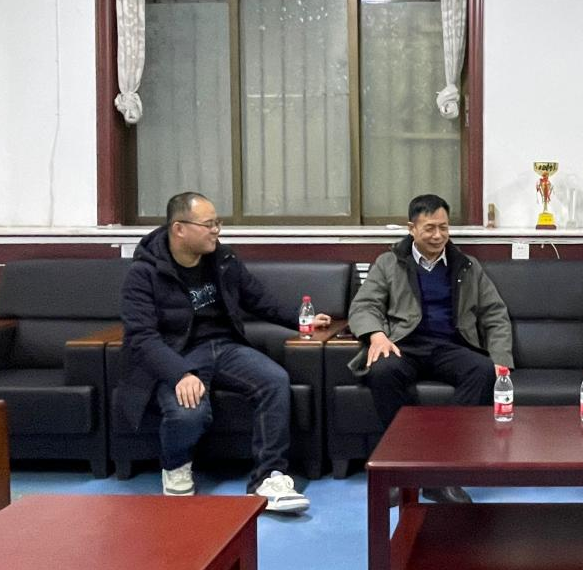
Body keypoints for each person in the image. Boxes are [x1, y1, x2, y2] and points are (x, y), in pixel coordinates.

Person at [120, 192, 330, 513]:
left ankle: (268, 478)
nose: (216, 230)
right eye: (208, 224)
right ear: (179, 229)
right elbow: (141, 337)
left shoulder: (222, 258)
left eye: (217, 223)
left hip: (224, 347)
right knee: (189, 412)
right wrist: (180, 373)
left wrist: (300, 320)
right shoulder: (144, 273)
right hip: (177, 354)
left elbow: (258, 299)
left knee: (274, 381)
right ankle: (175, 467)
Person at [348, 193, 512, 504]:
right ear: (412, 229)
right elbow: (364, 305)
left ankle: (441, 475)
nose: (438, 235)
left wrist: (501, 360)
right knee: (382, 371)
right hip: (404, 344)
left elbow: (495, 313)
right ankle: (401, 472)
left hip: (451, 345)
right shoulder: (389, 262)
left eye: (444, 228)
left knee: (482, 371)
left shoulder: (466, 265)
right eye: (430, 228)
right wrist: (377, 336)